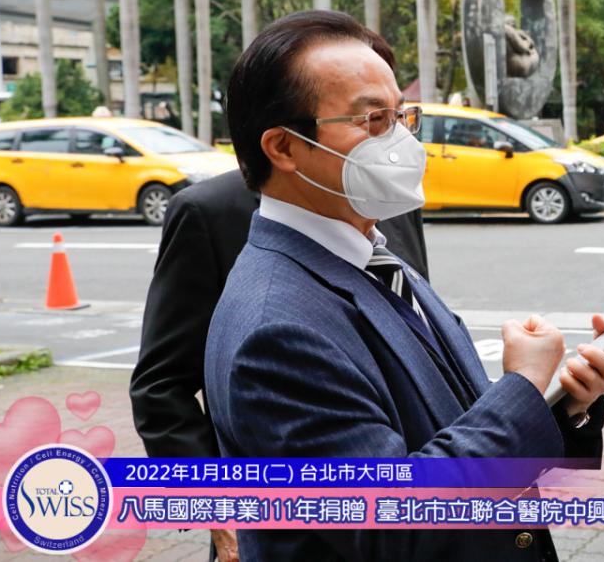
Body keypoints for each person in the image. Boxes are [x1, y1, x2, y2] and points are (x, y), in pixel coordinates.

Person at [204, 10, 604, 561]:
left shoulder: (374, 256)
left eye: (402, 117)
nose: (401, 141)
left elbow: (446, 427)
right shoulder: (277, 330)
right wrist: (522, 385)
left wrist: (563, 403)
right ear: (284, 148)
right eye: (372, 120)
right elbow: (393, 523)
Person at [130, 167, 428, 562]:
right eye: (371, 127)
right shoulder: (209, 211)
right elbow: (160, 385)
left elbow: (415, 323)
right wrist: (216, 506)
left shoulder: (392, 196)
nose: (394, 142)